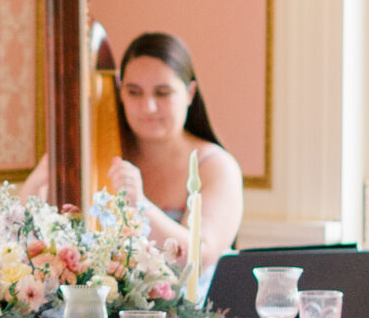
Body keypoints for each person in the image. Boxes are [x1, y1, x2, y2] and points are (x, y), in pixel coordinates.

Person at [21, 29, 243, 293]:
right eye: (134, 92)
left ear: (190, 93)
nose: (148, 106)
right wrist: (43, 175)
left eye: (162, 93)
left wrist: (140, 205)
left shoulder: (216, 166)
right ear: (120, 93)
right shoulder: (102, 152)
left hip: (193, 311)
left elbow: (200, 257)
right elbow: (23, 232)